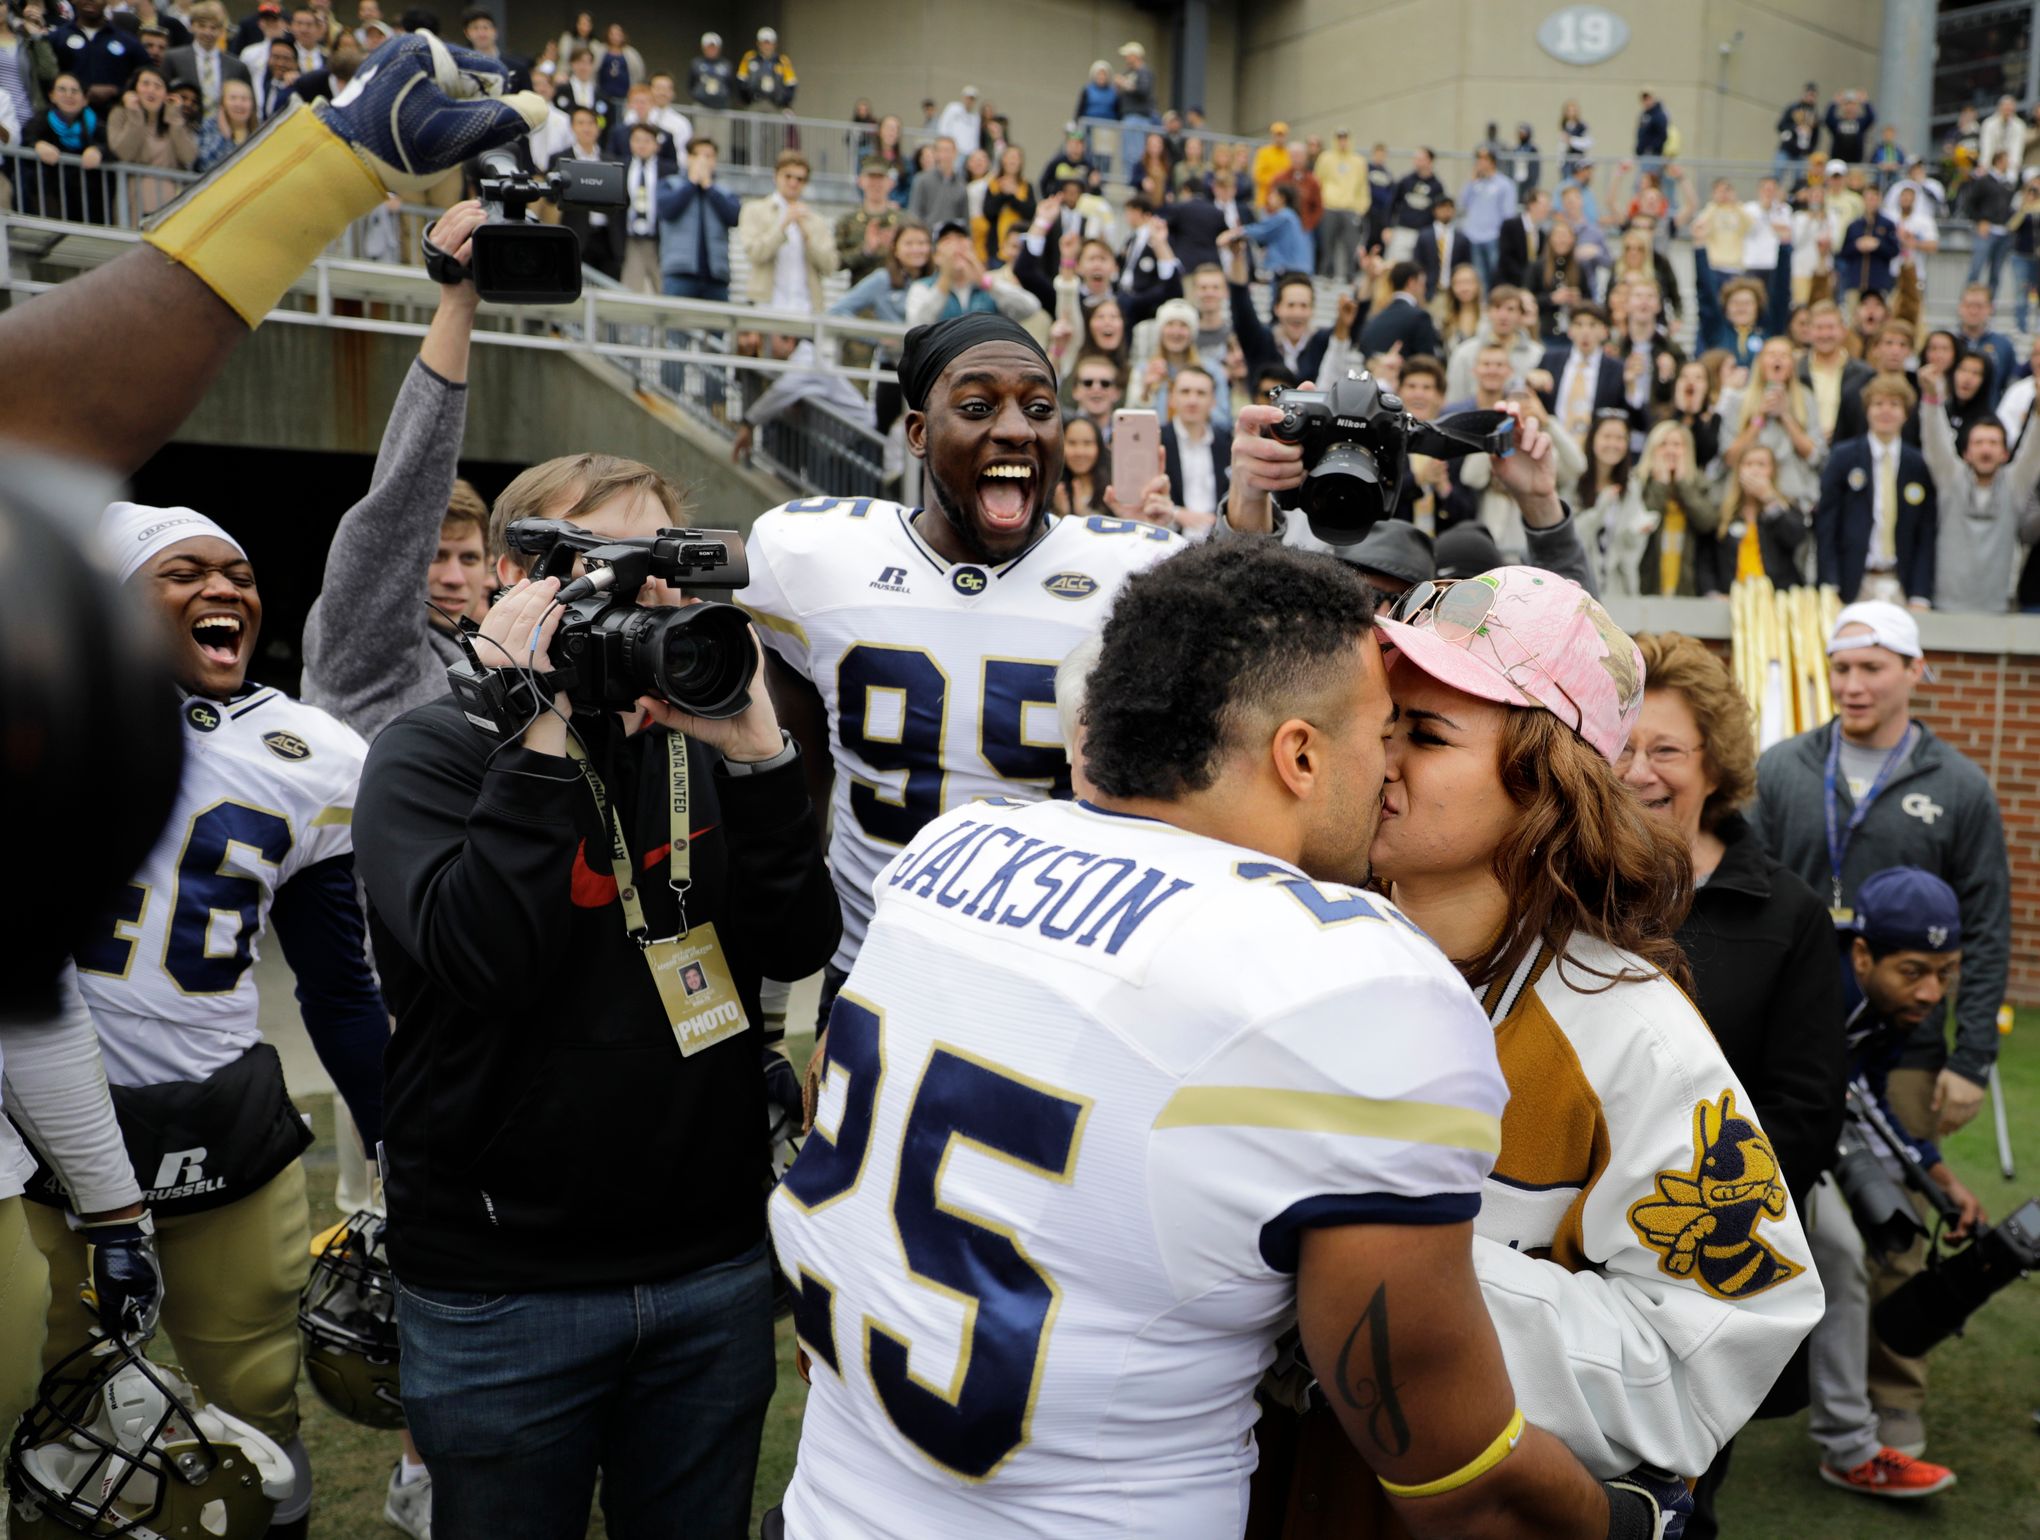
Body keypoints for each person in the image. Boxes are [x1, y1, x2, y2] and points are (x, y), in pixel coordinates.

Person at [770, 535, 1667, 1540]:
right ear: (1300, 753)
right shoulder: (1349, 977)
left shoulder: (950, 849)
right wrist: (1627, 1521)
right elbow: (1458, 1472)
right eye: (1382, 731)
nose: (1389, 769)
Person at [1250, 559, 1822, 1539]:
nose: (1376, 757)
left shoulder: (1628, 1026)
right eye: (1379, 721)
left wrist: (1399, 1278)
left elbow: (1729, 1335)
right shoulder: (1278, 944)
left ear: (1545, 777)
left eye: (1424, 734)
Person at [43, 502, 392, 1540]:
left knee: (255, 1406)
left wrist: (390, 1131)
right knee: (56, 1427)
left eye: (239, 573)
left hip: (221, 1124)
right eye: (184, 570)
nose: (226, 589)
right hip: (38, 1139)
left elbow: (339, 983)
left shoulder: (315, 752)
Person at [735, 310, 1180, 986]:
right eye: (977, 406)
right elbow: (794, 785)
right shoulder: (810, 556)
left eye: (1039, 407)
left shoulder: (1133, 571)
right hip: (869, 969)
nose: (1014, 428)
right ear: (918, 431)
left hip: (1053, 983)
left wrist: (1248, 515)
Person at [1751, 601, 2011, 1456]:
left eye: (1873, 668)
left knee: (1892, 1228)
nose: (1854, 684)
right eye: (1843, 668)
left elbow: (1986, 923)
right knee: (1792, 1219)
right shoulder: (1785, 766)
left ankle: (1892, 1397)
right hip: (1791, 1037)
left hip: (1901, 1040)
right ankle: (1782, 1383)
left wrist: (1971, 1056)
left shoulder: (1959, 784)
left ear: (1915, 671)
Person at [1623, 633, 1847, 1536]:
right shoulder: (1569, 884)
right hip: (1564, 1255)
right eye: (1622, 745)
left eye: (1665, 749)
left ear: (1714, 764)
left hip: (1708, 1270)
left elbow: (1806, 1111)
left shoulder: (1786, 914)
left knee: (1678, 1498)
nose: (1638, 771)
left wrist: (1689, 1228)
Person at [1802, 867, 1975, 1500]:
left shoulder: (1890, 1003)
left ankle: (1848, 1442)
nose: (1932, 993)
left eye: (1945, 972)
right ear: (1863, 953)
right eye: (1914, 971)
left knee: (1853, 1244)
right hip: (1733, 1126)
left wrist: (1934, 1173)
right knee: (1840, 1250)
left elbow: (1866, 1093)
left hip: (1799, 1127)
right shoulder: (1814, 977)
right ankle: (1849, 1446)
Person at [1917, 354, 2040, 611]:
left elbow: (2033, 450)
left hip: (1997, 608)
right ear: (1966, 453)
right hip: (1945, 605)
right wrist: (1931, 398)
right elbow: (1935, 440)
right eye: (1979, 443)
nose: (1986, 450)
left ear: (2005, 453)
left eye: (1994, 443)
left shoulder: (2015, 484)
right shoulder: (1951, 478)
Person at [1816, 372, 1935, 606]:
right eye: (1878, 404)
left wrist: (1920, 593)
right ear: (1867, 410)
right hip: (1853, 581)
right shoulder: (1844, 456)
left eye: (1894, 404)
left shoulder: (1918, 463)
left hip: (1899, 582)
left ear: (1906, 413)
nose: (1885, 411)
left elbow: (1925, 531)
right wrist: (1829, 582)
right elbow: (1827, 523)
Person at [739, 149, 837, 314]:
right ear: (775, 176)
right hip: (767, 306)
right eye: (788, 176)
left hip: (806, 308)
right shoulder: (754, 210)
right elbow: (754, 253)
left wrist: (807, 237)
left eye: (800, 179)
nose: (793, 183)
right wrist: (782, 226)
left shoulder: (816, 221)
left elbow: (830, 266)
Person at [657, 135, 740, 302]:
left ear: (715, 160)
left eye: (708, 156)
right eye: (698, 155)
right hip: (679, 273)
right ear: (688, 158)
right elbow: (667, 211)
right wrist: (692, 183)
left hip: (716, 276)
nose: (703, 161)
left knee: (716, 327)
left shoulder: (724, 190)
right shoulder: (670, 183)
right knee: (677, 326)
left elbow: (734, 217)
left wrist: (708, 187)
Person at [1534, 302, 1624, 443]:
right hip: (1554, 442)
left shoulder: (1616, 368)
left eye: (1592, 325)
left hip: (1594, 447)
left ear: (1605, 331)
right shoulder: (1550, 360)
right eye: (1578, 324)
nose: (1585, 332)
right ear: (1570, 330)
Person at [1158, 363, 1229, 533]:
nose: (1192, 400)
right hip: (1170, 533)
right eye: (1185, 392)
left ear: (1213, 401)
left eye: (1201, 393)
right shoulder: (1156, 440)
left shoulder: (1227, 442)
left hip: (1217, 538)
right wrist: (1176, 513)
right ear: (1171, 398)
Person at [1356, 259, 1442, 360]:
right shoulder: (1420, 317)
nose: (1424, 291)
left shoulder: (1375, 318)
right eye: (1423, 285)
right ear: (1411, 283)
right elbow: (1427, 362)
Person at [1313, 127, 1366, 280]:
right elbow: (1318, 182)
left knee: (1351, 245)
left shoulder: (1358, 161)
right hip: (1329, 207)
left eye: (1345, 138)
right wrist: (1321, 203)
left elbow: (1363, 187)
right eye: (1339, 138)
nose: (1342, 142)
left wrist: (1360, 208)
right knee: (1327, 244)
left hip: (1350, 208)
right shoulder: (1326, 158)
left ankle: (1350, 276)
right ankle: (1326, 275)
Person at [736, 25, 795, 111]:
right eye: (764, 43)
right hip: (755, 103)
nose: (767, 46)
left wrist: (783, 102)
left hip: (775, 106)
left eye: (769, 43)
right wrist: (747, 99)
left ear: (775, 44)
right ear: (758, 44)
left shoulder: (782, 61)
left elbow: (791, 84)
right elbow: (741, 80)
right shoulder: (750, 57)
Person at [688, 30, 733, 113]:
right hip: (701, 106)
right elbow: (691, 83)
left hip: (721, 108)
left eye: (714, 47)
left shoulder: (726, 65)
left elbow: (730, 85)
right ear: (703, 47)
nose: (711, 49)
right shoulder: (696, 63)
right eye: (709, 47)